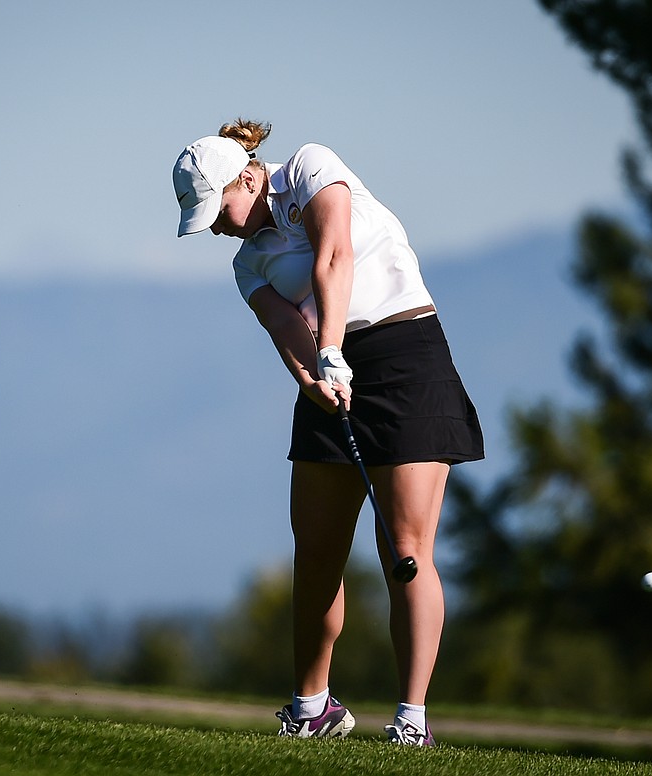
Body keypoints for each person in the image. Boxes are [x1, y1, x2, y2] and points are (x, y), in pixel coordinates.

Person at [172, 119, 483, 746]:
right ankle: (313, 708)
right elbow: (286, 329)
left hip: (404, 354)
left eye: (219, 209)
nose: (218, 227)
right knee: (315, 553)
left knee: (406, 549)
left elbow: (334, 253)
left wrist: (333, 348)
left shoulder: (310, 167)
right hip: (327, 375)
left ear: (247, 176)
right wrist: (312, 375)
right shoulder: (247, 263)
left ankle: (412, 720)